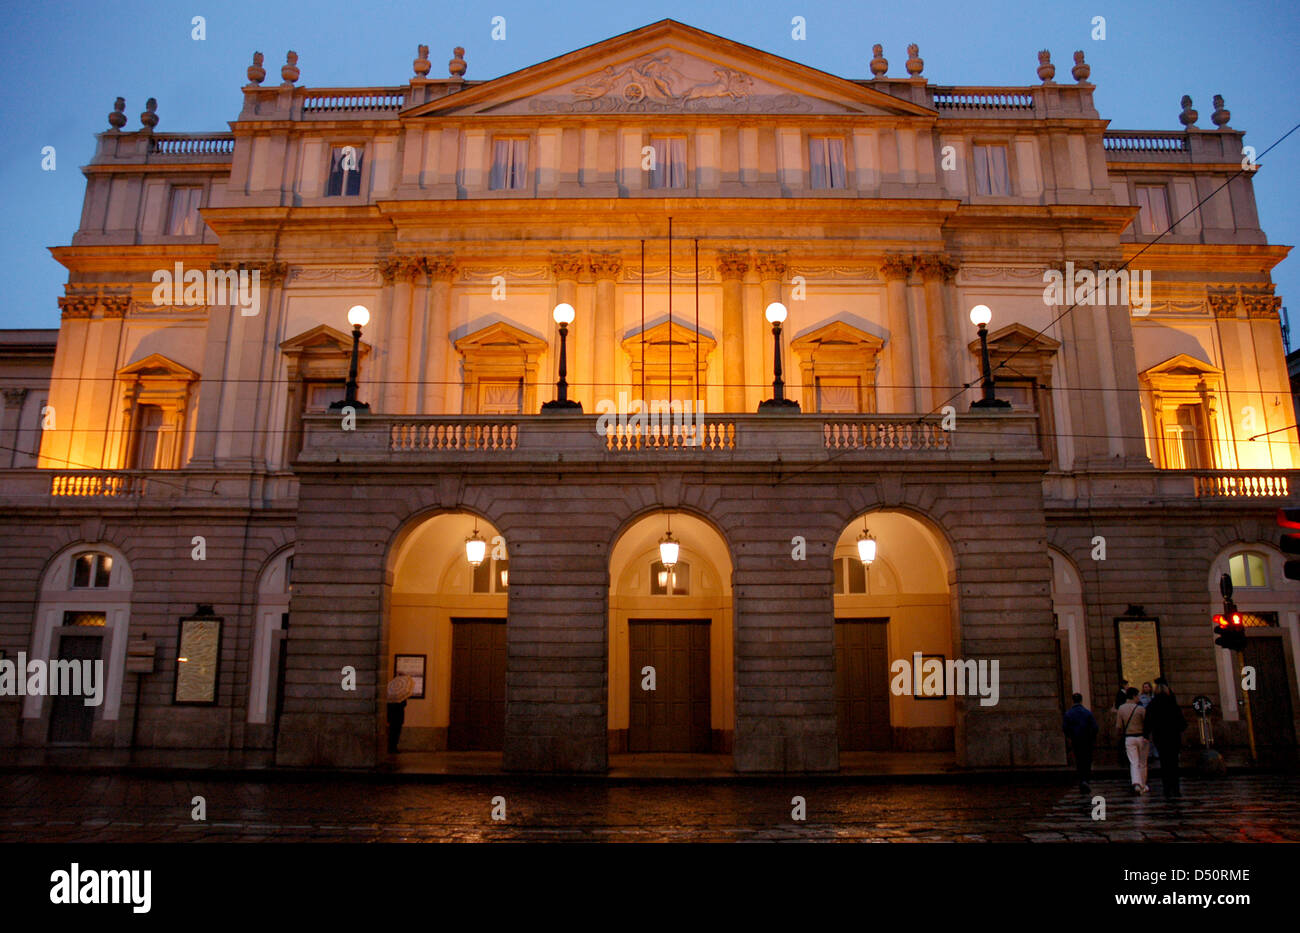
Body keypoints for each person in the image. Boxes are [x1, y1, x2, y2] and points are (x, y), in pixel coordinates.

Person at [1145, 677, 1187, 797]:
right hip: (1173, 736)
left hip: (1160, 737)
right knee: (1174, 763)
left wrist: (1147, 733)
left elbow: (1148, 721)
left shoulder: (1153, 704)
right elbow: (1182, 723)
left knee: (1164, 763)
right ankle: (1176, 788)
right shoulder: (1172, 703)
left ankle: (1167, 788)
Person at [1062, 693, 1099, 791]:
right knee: (1087, 760)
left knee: (1079, 760)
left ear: (1073, 701)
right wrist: (1091, 737)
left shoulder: (1068, 714)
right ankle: (1086, 779)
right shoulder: (1087, 713)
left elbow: (1065, 728)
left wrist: (1070, 736)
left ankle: (1082, 779)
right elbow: (1095, 727)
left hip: (1076, 740)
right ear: (1081, 701)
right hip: (1087, 740)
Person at [1115, 686, 1149, 794]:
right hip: (1141, 737)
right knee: (1142, 763)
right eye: (1138, 695)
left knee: (1133, 762)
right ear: (1134, 696)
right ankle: (1143, 784)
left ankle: (1136, 784)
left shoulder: (1121, 708)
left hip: (1129, 737)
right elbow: (1146, 723)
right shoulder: (1141, 709)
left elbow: (1119, 726)